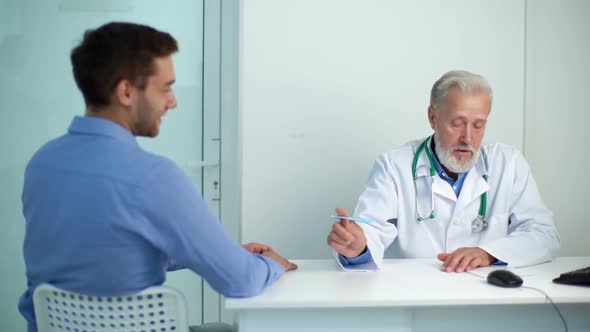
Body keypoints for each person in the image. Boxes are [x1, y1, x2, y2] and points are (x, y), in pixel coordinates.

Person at [19, 22, 296, 332]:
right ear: (125, 92)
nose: (173, 101)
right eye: (165, 87)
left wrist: (216, 252)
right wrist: (273, 265)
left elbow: (102, 259)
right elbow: (241, 281)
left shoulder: (42, 163)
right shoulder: (154, 177)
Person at [327, 70, 560, 272]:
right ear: (433, 117)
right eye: (457, 123)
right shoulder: (394, 166)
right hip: (420, 296)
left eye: (478, 125)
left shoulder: (508, 164)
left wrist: (488, 253)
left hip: (489, 295)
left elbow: (543, 235)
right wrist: (358, 247)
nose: (467, 138)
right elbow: (370, 228)